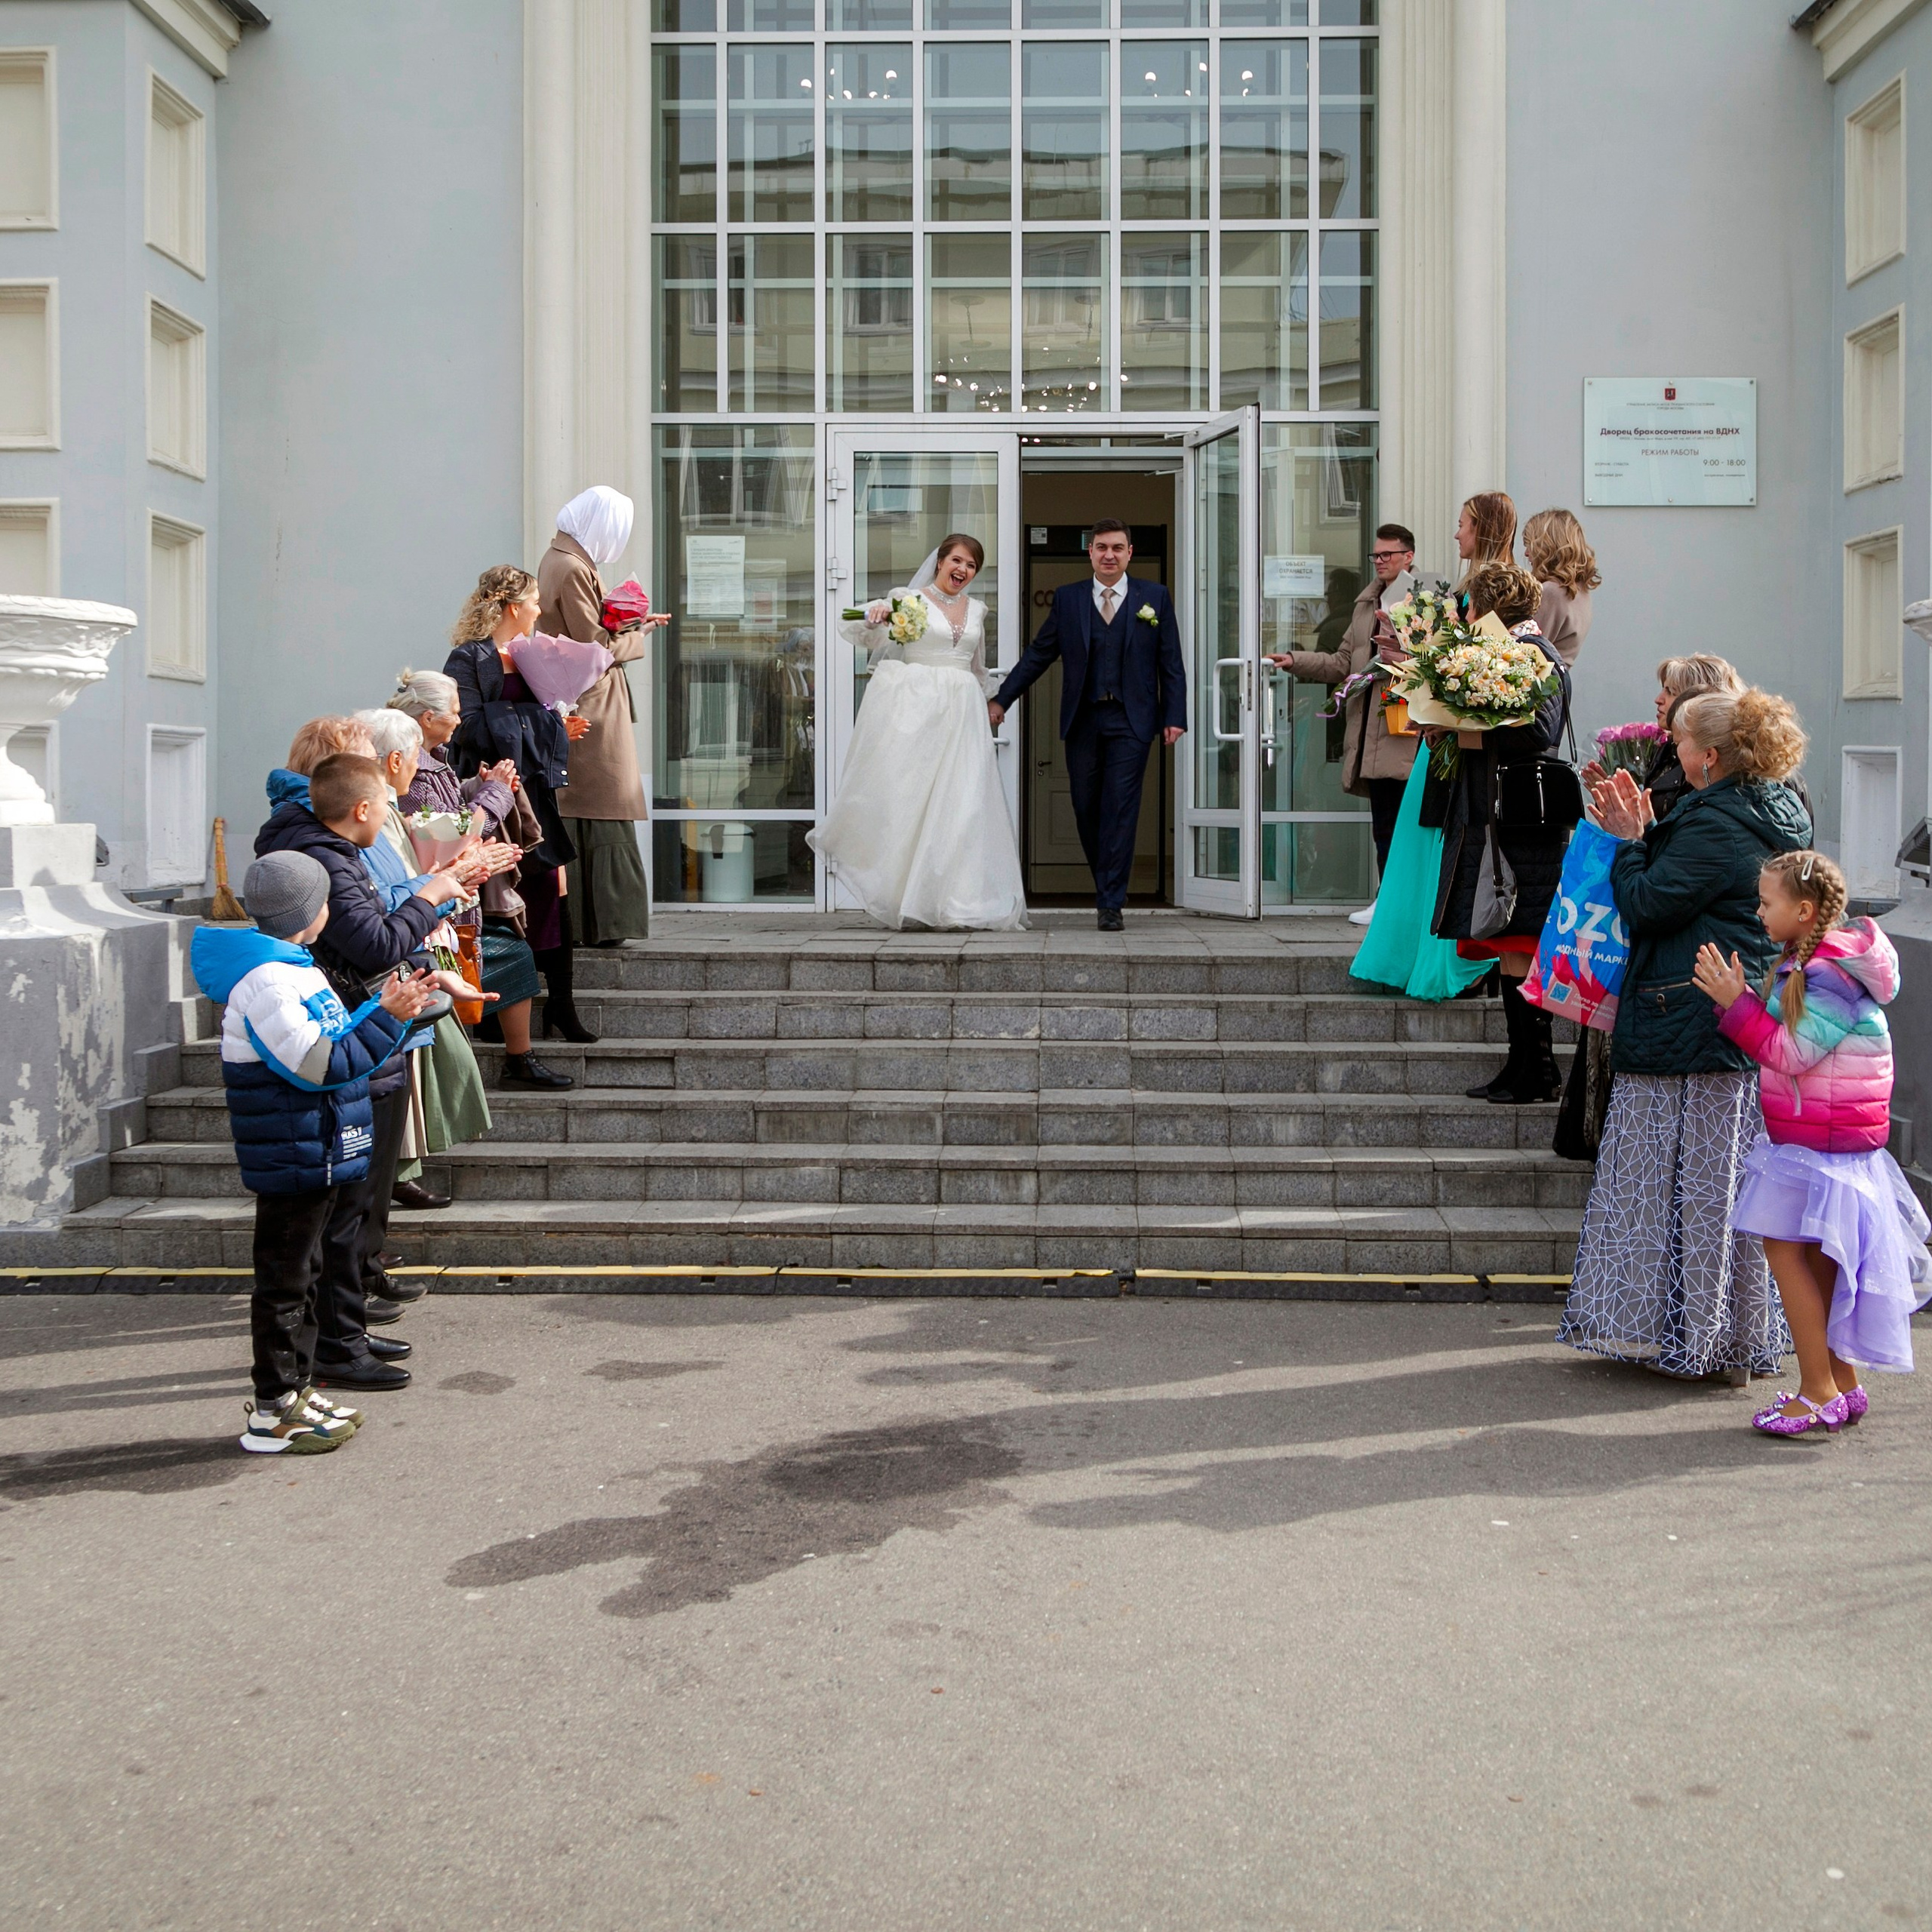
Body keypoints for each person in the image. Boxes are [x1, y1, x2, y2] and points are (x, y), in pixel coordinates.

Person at [1558, 687, 1814, 1381]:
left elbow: (1645, 904)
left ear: (1708, 755)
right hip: (1729, 1016)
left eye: (1676, 740)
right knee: (1724, 1188)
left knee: (1696, 1189)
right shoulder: (1772, 804)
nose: (1669, 749)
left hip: (1690, 1017)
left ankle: (1699, 1342)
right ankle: (1727, 1336)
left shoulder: (1719, 823)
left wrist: (1630, 844)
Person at [190, 851, 440, 1451]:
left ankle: (296, 1392)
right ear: (312, 911)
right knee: (284, 1285)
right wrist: (386, 1022)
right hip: (294, 1157)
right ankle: (274, 1410)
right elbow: (319, 1064)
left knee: (303, 1279)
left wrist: (386, 1011)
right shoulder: (270, 981)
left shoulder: (293, 967)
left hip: (315, 1151)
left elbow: (330, 1040)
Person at [255, 753, 475, 1392]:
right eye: (385, 804)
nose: (392, 815)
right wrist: (431, 896)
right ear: (360, 808)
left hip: (367, 1041)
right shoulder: (325, 861)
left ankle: (341, 1334)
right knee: (338, 1219)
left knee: (355, 1209)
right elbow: (373, 945)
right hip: (354, 1048)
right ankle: (325, 1353)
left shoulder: (333, 854)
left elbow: (376, 940)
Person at [1694, 851, 1931, 1432]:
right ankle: (1841, 1383)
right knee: (1823, 1256)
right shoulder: (1818, 963)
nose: (1758, 911)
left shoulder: (1826, 975)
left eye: (1767, 902)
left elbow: (1790, 1054)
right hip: (1825, 1137)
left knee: (1784, 1249)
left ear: (1804, 910)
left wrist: (1737, 1003)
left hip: (1820, 1142)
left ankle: (1816, 1388)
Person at [1347, 492, 1518, 1001]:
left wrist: (1419, 659)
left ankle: (1455, 961)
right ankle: (1419, 952)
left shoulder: (1495, 588)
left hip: (1461, 740)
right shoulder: (1464, 587)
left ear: (1483, 529)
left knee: (1446, 849)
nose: (1456, 533)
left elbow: (1480, 665)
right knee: (1419, 848)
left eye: (1462, 524)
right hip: (1440, 737)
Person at [811, 533, 1027, 931]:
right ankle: (912, 899)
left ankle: (959, 903)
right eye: (957, 561)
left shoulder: (977, 610)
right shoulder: (908, 600)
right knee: (915, 803)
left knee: (963, 806)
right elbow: (850, 623)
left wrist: (990, 704)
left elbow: (977, 668)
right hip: (918, 714)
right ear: (940, 561)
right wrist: (875, 613)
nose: (963, 570)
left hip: (962, 713)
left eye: (972, 565)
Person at [990, 519, 1186, 931]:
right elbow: (1038, 655)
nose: (1109, 555)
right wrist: (1001, 699)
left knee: (1121, 808)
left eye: (1117, 547)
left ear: (1129, 553)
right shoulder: (1069, 599)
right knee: (1084, 807)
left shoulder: (1155, 598)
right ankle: (1108, 882)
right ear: (1091, 553)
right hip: (1083, 718)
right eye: (1101, 547)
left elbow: (1170, 663)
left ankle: (1110, 902)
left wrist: (1174, 716)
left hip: (1132, 720)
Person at [1435, 562, 1576, 1104]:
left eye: (1469, 606)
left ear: (1489, 609)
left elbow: (1541, 731)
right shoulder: (1510, 652)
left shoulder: (1534, 654)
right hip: (1502, 820)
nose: (1464, 616)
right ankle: (1521, 1066)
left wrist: (1473, 726)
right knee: (1506, 949)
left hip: (1523, 826)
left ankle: (1537, 1071)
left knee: (1518, 946)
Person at [389, 670, 570, 1091]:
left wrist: (481, 785)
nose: (460, 718)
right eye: (454, 712)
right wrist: (499, 793)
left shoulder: (431, 758)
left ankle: (518, 1059)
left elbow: (449, 813)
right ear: (427, 718)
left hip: (451, 901)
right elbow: (447, 833)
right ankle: (502, 1065)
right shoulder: (412, 768)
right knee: (494, 963)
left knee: (515, 956)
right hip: (435, 907)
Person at [446, 566, 597, 1044]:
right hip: (495, 791)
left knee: (553, 885)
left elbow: (532, 716)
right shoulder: (469, 658)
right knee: (501, 894)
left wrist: (560, 723)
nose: (540, 610)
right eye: (534, 601)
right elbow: (467, 726)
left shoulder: (536, 652)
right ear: (513, 607)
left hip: (537, 789)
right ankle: (497, 1009)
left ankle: (562, 1006)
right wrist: (549, 727)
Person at [1266, 523, 1418, 925]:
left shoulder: (1422, 602)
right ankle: (1388, 901)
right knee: (1385, 822)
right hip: (1370, 730)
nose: (1381, 561)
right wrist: (1295, 660)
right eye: (1376, 555)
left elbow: (1432, 665)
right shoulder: (1365, 605)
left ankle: (1398, 906)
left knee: (1404, 825)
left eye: (1389, 554)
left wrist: (1403, 658)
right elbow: (1340, 662)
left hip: (1405, 732)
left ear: (1409, 557)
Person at [538, 486, 669, 948]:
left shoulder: (563, 559)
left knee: (591, 807)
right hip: (589, 704)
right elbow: (596, 648)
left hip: (581, 700)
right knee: (603, 805)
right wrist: (637, 633)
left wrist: (632, 624)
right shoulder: (572, 567)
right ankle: (604, 924)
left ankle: (587, 923)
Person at [1521, 509, 1599, 669]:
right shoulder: (1580, 590)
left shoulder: (1552, 592)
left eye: (1530, 545)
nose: (1527, 553)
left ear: (1547, 547)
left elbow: (1527, 652)